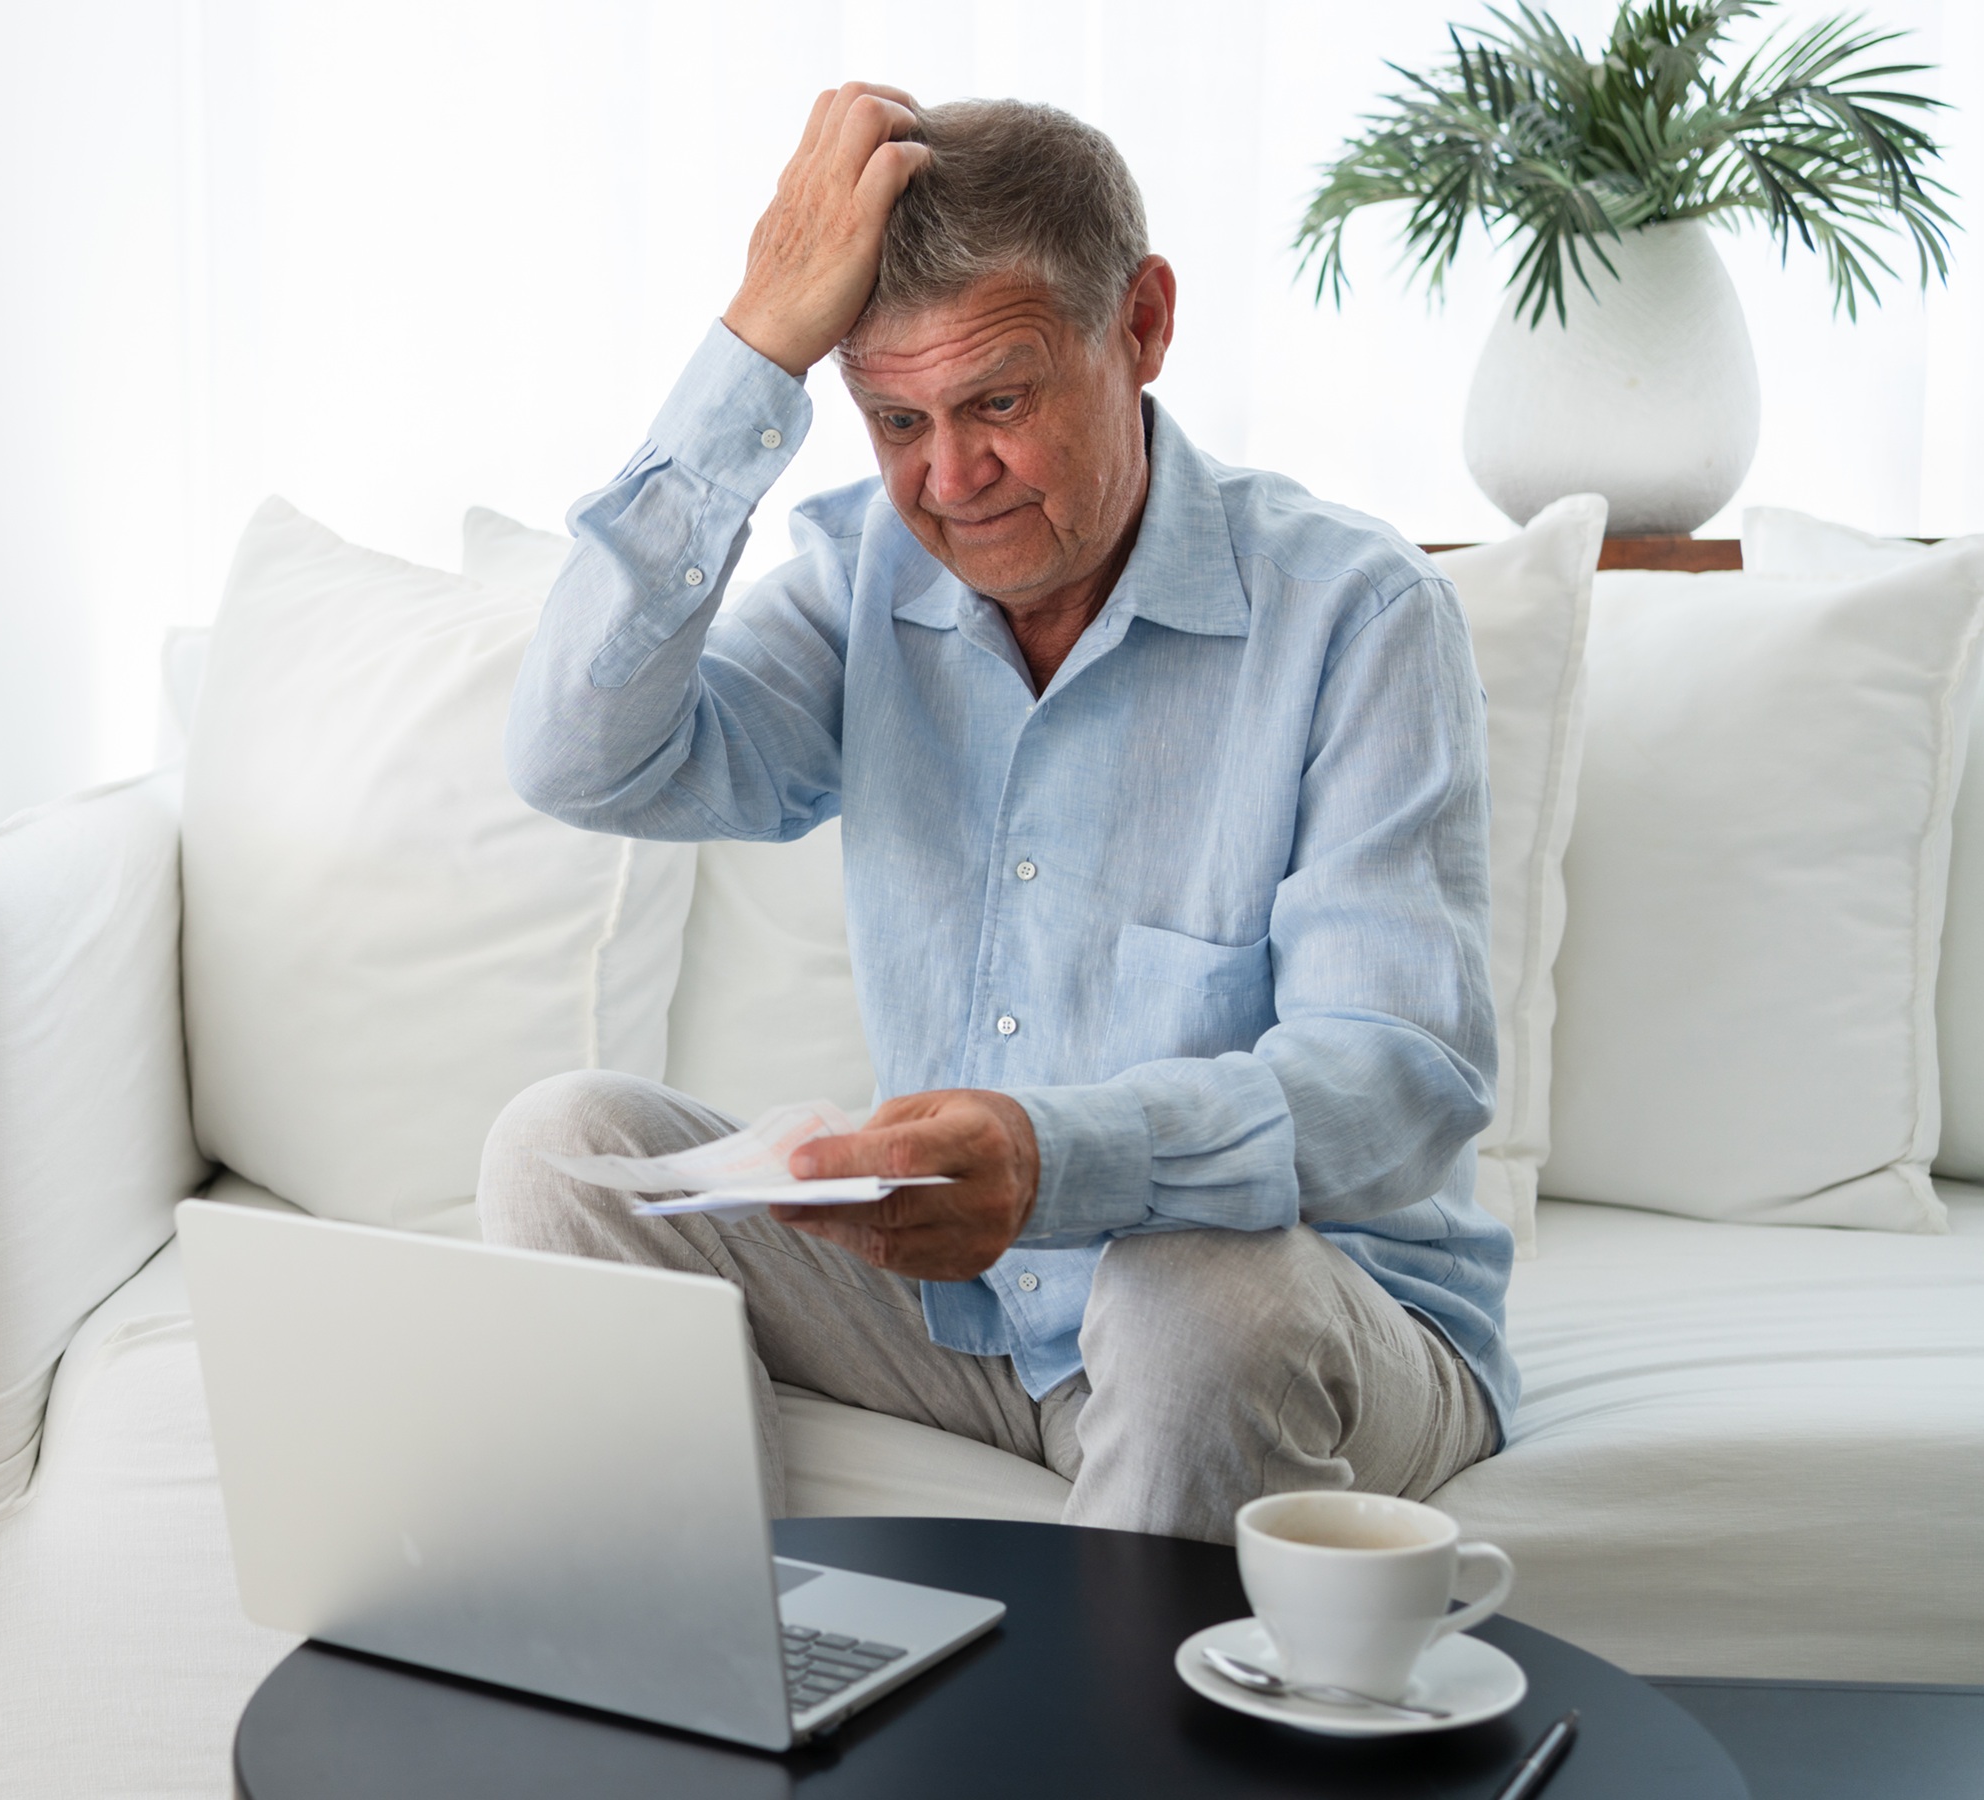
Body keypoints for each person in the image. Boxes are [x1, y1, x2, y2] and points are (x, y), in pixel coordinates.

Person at [484, 87, 1512, 1544]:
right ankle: (707, 1691)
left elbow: (1396, 1078)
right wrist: (754, 346)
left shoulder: (1357, 615)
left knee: (1186, 1286)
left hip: (1309, 1307)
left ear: (1141, 327)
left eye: (1000, 403)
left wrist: (1052, 1161)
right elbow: (578, 757)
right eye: (894, 418)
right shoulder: (866, 588)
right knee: (560, 1145)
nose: (948, 481)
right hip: (971, 1311)